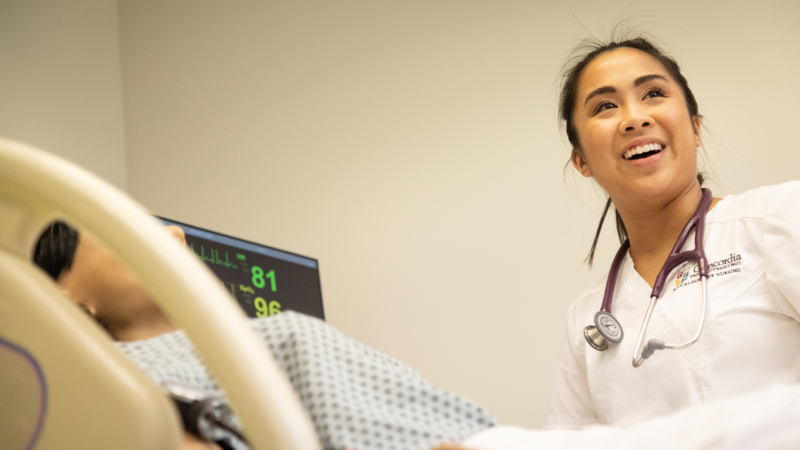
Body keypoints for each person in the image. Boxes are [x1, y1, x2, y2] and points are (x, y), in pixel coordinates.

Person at [33, 221, 495, 450]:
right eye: (121, 230)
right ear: (64, 295)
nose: (174, 234)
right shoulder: (106, 390)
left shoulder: (259, 337)